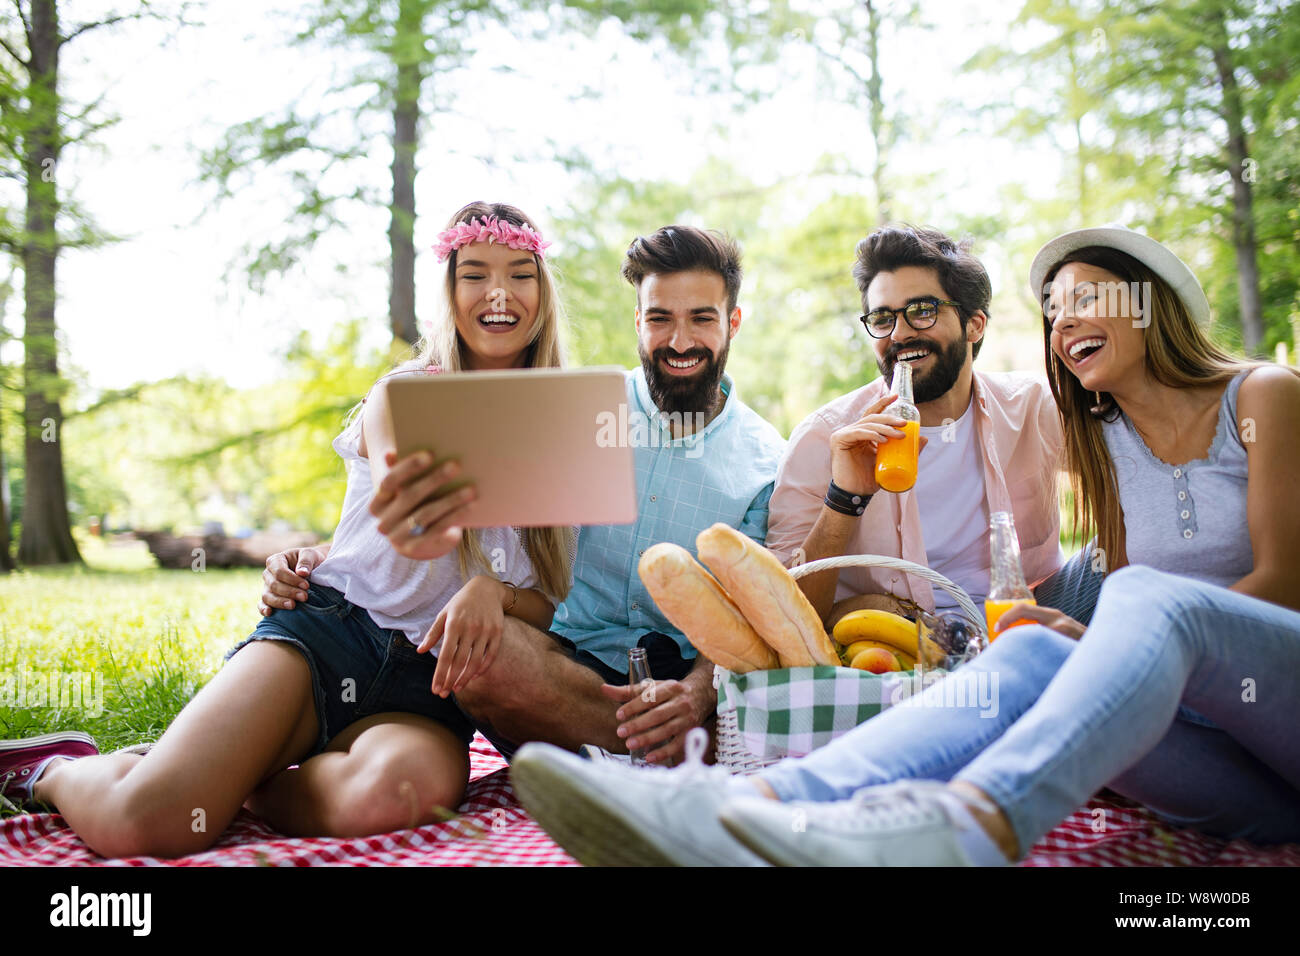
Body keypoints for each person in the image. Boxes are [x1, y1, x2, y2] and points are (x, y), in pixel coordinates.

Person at [507, 226, 1300, 867]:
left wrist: (1104, 640)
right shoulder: (1099, 434)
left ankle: (962, 830)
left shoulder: (1258, 396)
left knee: (1126, 602)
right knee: (1022, 660)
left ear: (1151, 306)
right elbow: (785, 596)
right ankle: (751, 811)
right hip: (1225, 766)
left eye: (1088, 300)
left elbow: (1282, 585)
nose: (1064, 325)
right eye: (1055, 311)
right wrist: (850, 496)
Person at [0, 201, 576, 857]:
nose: (499, 294)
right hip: (329, 635)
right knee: (146, 826)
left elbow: (545, 602)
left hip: (427, 688)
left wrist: (493, 595)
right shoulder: (404, 394)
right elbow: (408, 513)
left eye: (519, 275)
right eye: (474, 274)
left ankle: (248, 781)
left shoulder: (563, 425)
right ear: (450, 291)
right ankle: (57, 771)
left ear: (541, 291)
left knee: (398, 796)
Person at [264, 225, 786, 768]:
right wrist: (322, 556)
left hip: (678, 674)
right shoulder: (569, 409)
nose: (680, 341)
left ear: (733, 322)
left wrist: (699, 693)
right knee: (483, 658)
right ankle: (659, 750)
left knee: (712, 699)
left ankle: (643, 740)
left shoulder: (765, 460)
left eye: (701, 318)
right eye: (660, 318)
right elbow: (457, 509)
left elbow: (744, 609)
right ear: (638, 322)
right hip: (560, 664)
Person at [768, 224, 1099, 628]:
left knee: (1121, 560)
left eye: (922, 311)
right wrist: (845, 499)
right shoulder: (823, 437)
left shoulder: (1033, 407)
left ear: (974, 324)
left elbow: (1132, 470)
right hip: (902, 640)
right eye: (883, 317)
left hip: (1024, 622)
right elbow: (783, 615)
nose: (900, 333)